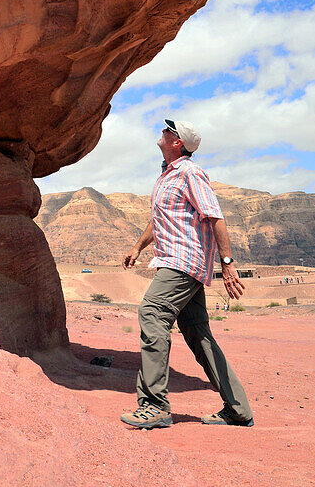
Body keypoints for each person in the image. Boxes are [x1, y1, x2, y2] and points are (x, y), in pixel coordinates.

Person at [119, 119, 255, 430]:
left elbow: (215, 216)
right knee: (198, 335)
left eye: (169, 130)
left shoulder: (191, 173)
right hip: (175, 261)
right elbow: (160, 220)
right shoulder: (166, 176)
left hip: (184, 262)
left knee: (152, 312)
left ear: (179, 142)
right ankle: (238, 409)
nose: (163, 132)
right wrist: (137, 248)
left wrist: (228, 262)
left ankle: (154, 406)